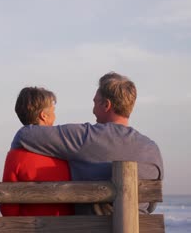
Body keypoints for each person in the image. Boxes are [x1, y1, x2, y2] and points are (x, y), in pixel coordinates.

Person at [11, 72, 163, 215]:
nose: (93, 109)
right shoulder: (152, 150)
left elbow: (25, 134)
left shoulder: (86, 137)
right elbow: (151, 205)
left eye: (95, 102)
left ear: (106, 105)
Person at [0, 87, 74, 216]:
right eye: (53, 111)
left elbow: (8, 206)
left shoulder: (15, 157)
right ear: (43, 116)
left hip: (28, 226)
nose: (55, 116)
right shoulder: (65, 151)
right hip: (67, 225)